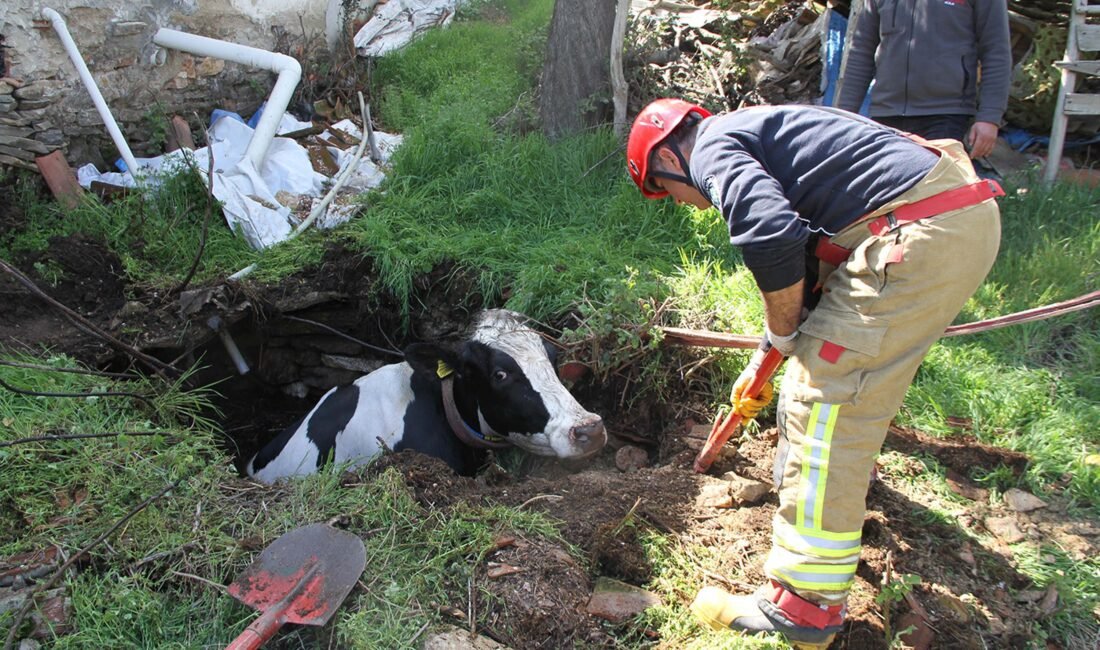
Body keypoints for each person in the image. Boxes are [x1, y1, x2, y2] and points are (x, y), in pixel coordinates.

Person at [626, 99, 1002, 648]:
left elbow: (770, 236)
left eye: (667, 192)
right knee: (849, 381)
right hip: (951, 218)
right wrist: (765, 355)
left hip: (918, 231)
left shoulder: (707, 148)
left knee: (820, 398)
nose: (692, 205)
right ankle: (843, 484)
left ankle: (802, 606)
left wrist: (784, 341)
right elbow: (809, 266)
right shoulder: (763, 132)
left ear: (665, 159)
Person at [835, 0, 1012, 159]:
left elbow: (996, 52)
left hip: (946, 114)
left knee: (936, 191)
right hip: (886, 114)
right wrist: (843, 115)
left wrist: (989, 117)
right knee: (890, 192)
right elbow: (861, 51)